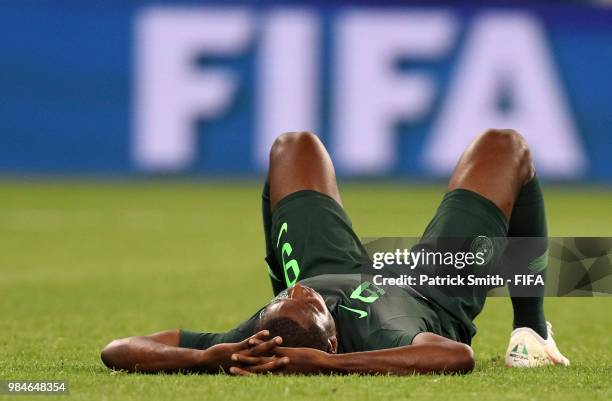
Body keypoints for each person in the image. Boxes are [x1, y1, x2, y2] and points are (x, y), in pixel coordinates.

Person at [101, 129, 569, 375]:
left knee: (292, 146)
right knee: (505, 147)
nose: (298, 291)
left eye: (285, 297)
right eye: (309, 303)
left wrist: (207, 357)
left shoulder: (253, 339)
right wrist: (329, 366)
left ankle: (295, 313)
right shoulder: (384, 335)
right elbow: (455, 358)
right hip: (428, 287)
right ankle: (532, 332)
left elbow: (117, 349)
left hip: (330, 268)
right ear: (331, 340)